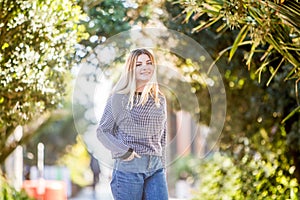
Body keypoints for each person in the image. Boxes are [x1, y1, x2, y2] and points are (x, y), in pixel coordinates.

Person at [96, 48, 168, 200]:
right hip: (129, 167)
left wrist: (163, 165)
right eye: (139, 64)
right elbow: (103, 131)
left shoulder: (159, 99)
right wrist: (124, 151)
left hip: (155, 168)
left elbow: (163, 137)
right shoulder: (119, 98)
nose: (145, 67)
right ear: (131, 69)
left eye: (149, 63)